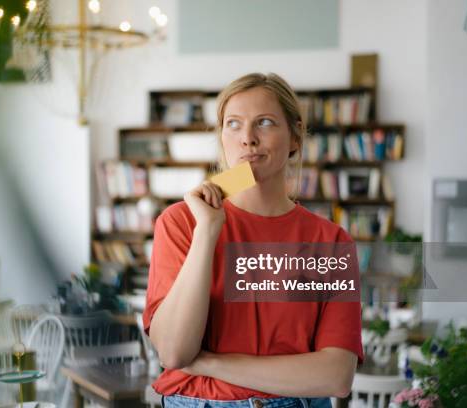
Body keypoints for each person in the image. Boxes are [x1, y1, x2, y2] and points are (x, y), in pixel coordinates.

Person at [142, 73, 364, 408]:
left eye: (264, 122)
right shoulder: (181, 223)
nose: (248, 138)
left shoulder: (330, 241)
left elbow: (335, 376)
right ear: (221, 137)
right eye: (233, 124)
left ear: (295, 138)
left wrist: (209, 363)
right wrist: (207, 232)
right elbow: (174, 351)